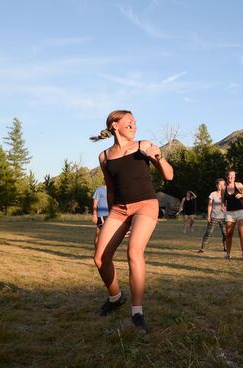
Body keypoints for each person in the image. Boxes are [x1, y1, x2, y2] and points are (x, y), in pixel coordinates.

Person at [89, 110, 174, 333]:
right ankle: (116, 297)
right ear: (114, 125)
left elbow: (169, 176)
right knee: (100, 258)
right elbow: (110, 189)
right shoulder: (104, 157)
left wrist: (159, 157)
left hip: (146, 205)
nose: (134, 126)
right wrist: (110, 217)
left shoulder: (142, 146)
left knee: (134, 252)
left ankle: (137, 313)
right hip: (118, 210)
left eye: (135, 123)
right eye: (129, 122)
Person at [222, 170, 243, 260]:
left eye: (232, 176)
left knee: (242, 233)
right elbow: (223, 201)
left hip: (241, 211)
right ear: (226, 177)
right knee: (229, 234)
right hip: (229, 213)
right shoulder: (223, 188)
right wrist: (223, 207)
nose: (231, 178)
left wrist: (241, 195)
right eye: (229, 176)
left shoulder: (239, 185)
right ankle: (228, 254)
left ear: (235, 177)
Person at [198, 179, 227, 253]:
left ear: (225, 186)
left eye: (222, 185)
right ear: (216, 185)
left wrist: (225, 207)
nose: (221, 186)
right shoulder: (212, 194)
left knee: (225, 233)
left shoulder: (226, 194)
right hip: (213, 216)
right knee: (208, 232)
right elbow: (210, 206)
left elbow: (228, 205)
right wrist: (208, 216)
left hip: (223, 217)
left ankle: (225, 247)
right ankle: (202, 248)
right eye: (219, 184)